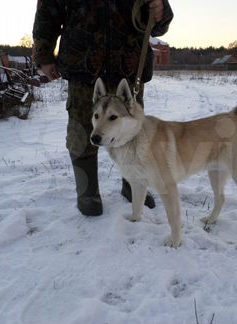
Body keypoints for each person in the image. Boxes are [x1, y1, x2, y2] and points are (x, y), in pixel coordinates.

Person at [32, 0, 173, 216]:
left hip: (129, 63)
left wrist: (161, 10)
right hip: (82, 62)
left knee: (133, 133)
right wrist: (44, 53)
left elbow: (158, 22)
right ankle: (87, 191)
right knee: (81, 130)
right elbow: (49, 9)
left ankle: (133, 184)